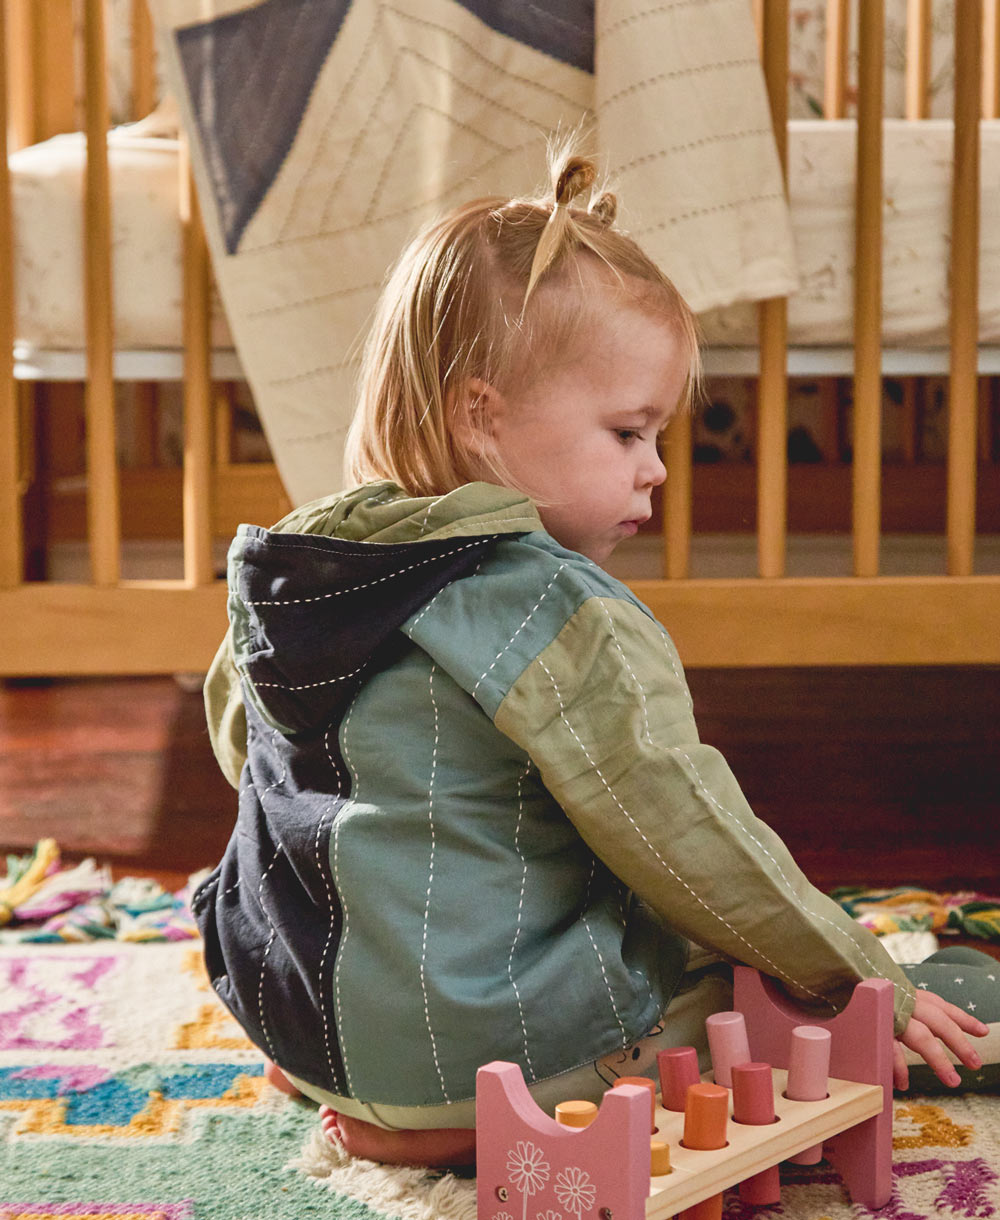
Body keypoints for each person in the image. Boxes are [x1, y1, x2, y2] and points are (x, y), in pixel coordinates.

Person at [194, 148, 994, 1169]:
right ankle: (457, 1116)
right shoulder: (558, 613)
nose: (655, 467)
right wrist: (850, 972)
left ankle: (349, 1075)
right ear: (482, 416)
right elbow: (683, 834)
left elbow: (243, 757)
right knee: (735, 983)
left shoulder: (299, 562)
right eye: (627, 431)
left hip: (288, 1006)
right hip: (481, 1051)